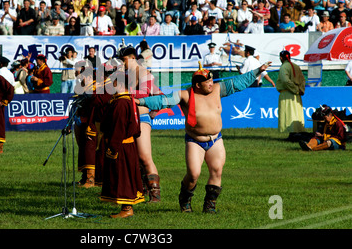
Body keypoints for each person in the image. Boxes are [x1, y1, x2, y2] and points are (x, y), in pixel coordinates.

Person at [135, 61, 271, 213]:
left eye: (211, 80)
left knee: (216, 171)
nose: (211, 84)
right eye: (207, 82)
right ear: (198, 85)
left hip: (216, 139)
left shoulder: (218, 89)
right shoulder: (185, 94)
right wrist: (139, 101)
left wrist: (258, 71)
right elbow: (162, 101)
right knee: (193, 175)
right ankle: (185, 199)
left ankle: (210, 205)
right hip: (195, 141)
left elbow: (238, 83)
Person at [118, 45, 162, 203]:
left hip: (142, 117)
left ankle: (155, 195)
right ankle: (141, 190)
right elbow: (158, 92)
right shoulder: (126, 74)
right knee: (134, 157)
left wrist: (123, 92)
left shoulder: (143, 72)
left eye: (123, 60)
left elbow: (144, 92)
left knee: (144, 157)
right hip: (128, 118)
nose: (121, 63)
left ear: (131, 57)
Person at [100, 70, 145, 218]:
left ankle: (127, 208)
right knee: (127, 174)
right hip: (128, 144)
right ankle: (126, 207)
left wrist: (113, 147)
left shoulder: (120, 103)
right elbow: (137, 128)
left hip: (121, 145)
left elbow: (118, 128)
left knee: (123, 176)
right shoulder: (129, 100)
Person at [276, 50, 306, 136]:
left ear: (281, 58)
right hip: (296, 94)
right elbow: (302, 80)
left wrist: (294, 89)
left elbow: (285, 80)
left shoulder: (284, 67)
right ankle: (296, 132)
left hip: (287, 93)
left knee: (289, 113)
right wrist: (300, 89)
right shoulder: (296, 66)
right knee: (296, 113)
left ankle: (292, 133)